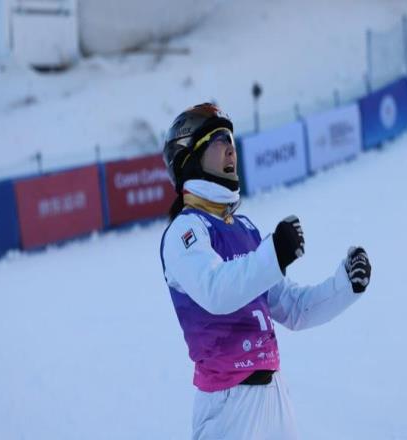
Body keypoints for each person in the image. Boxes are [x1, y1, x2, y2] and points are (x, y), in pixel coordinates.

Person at [159, 103, 372, 440]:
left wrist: (345, 286)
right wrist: (274, 254)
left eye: (231, 139)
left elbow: (294, 308)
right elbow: (216, 291)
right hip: (228, 406)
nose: (231, 148)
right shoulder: (185, 232)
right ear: (190, 158)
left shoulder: (245, 228)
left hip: (274, 398)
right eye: (218, 140)